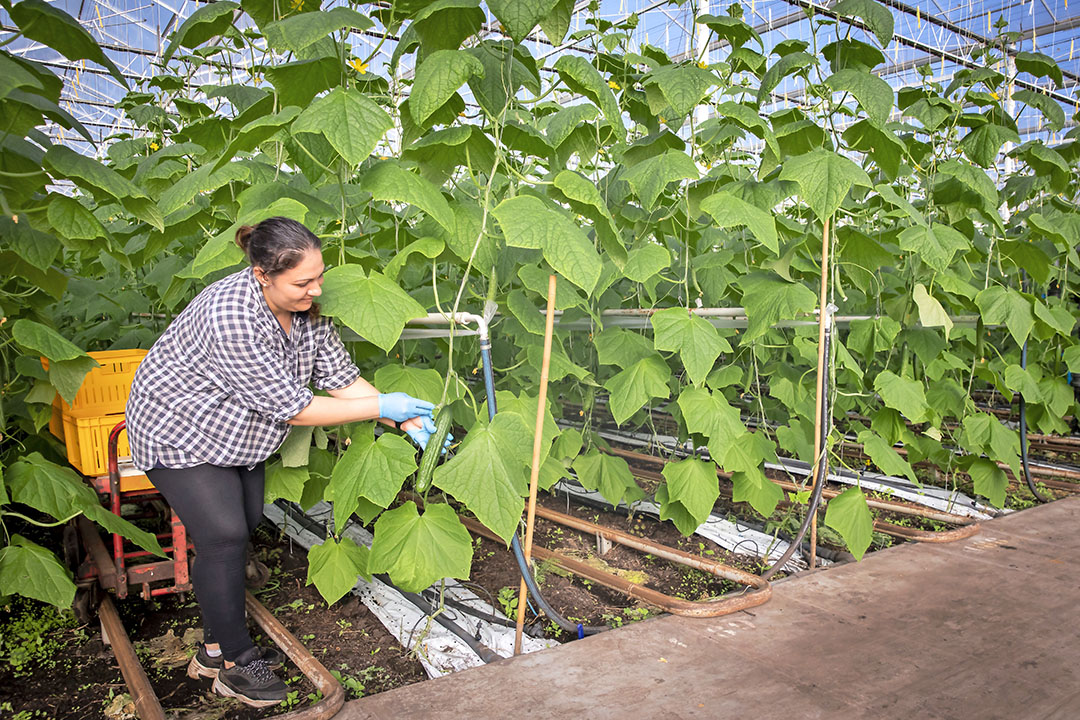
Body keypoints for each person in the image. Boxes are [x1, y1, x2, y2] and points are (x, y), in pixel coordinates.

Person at [125, 216, 445, 708]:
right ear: (261, 274)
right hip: (178, 428)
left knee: (243, 525)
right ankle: (235, 662)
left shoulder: (309, 312)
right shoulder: (229, 314)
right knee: (224, 535)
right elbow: (295, 408)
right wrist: (384, 407)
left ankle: (212, 649)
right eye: (302, 282)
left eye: (320, 277)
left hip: (239, 433)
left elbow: (339, 377)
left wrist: (403, 421)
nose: (316, 291)